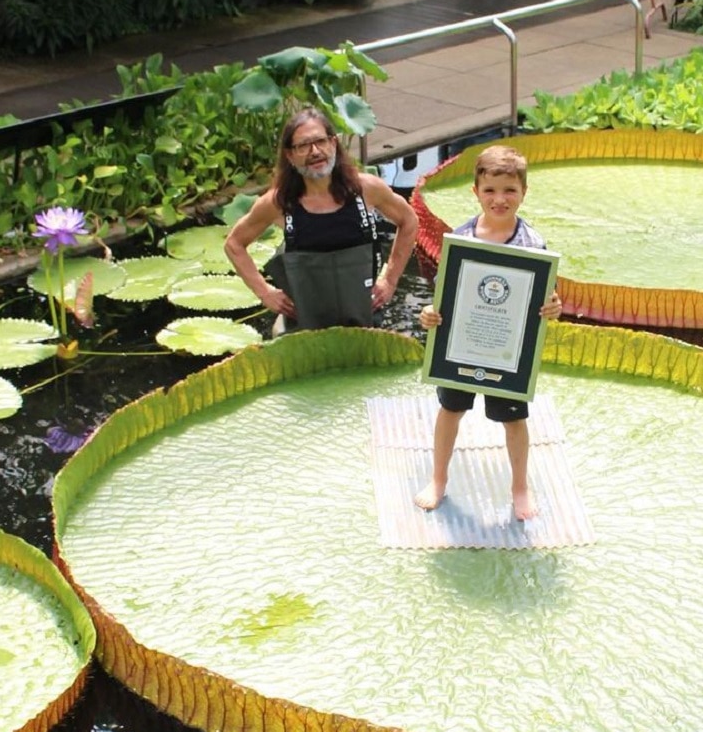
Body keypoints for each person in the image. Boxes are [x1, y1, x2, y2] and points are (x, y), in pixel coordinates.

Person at [414, 145, 562, 521]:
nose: (500, 199)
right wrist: (430, 314)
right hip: (462, 346)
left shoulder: (533, 245)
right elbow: (445, 298)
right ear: (476, 192)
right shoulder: (461, 240)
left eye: (509, 190)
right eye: (490, 190)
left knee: (514, 419)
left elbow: (544, 300)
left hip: (506, 351)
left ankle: (520, 487)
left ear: (523, 193)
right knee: (450, 409)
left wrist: (553, 308)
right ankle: (438, 479)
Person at [224, 108, 418, 330]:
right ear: (290, 155)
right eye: (303, 146)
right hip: (303, 326)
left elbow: (409, 221)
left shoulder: (366, 189)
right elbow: (234, 244)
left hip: (364, 318)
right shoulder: (279, 202)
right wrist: (265, 292)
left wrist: (390, 280)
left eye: (320, 141)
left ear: (333, 143)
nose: (315, 152)